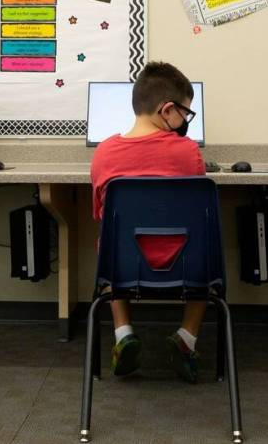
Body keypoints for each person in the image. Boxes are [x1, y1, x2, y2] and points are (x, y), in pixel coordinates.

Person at [90, 61, 207, 382]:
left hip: (125, 268)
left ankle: (123, 332)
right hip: (185, 265)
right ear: (167, 110)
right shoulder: (188, 152)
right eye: (185, 113)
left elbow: (102, 216)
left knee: (109, 242)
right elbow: (198, 213)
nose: (185, 121)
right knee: (205, 241)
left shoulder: (103, 153)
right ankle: (186, 338)